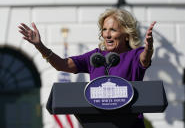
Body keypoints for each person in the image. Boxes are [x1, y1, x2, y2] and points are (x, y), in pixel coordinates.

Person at [18, 8, 156, 128]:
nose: (107, 34)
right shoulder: (95, 57)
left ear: (126, 34)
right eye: (104, 29)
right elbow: (62, 64)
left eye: (113, 30)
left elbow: (145, 58)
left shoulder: (134, 55)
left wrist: (149, 48)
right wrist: (39, 46)